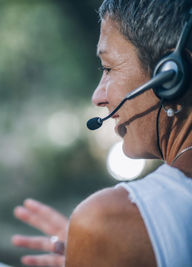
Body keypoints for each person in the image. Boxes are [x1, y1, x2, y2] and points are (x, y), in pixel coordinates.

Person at [12, 0, 192, 266]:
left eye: (107, 69)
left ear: (172, 73)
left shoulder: (104, 219)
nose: (98, 96)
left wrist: (102, 235)